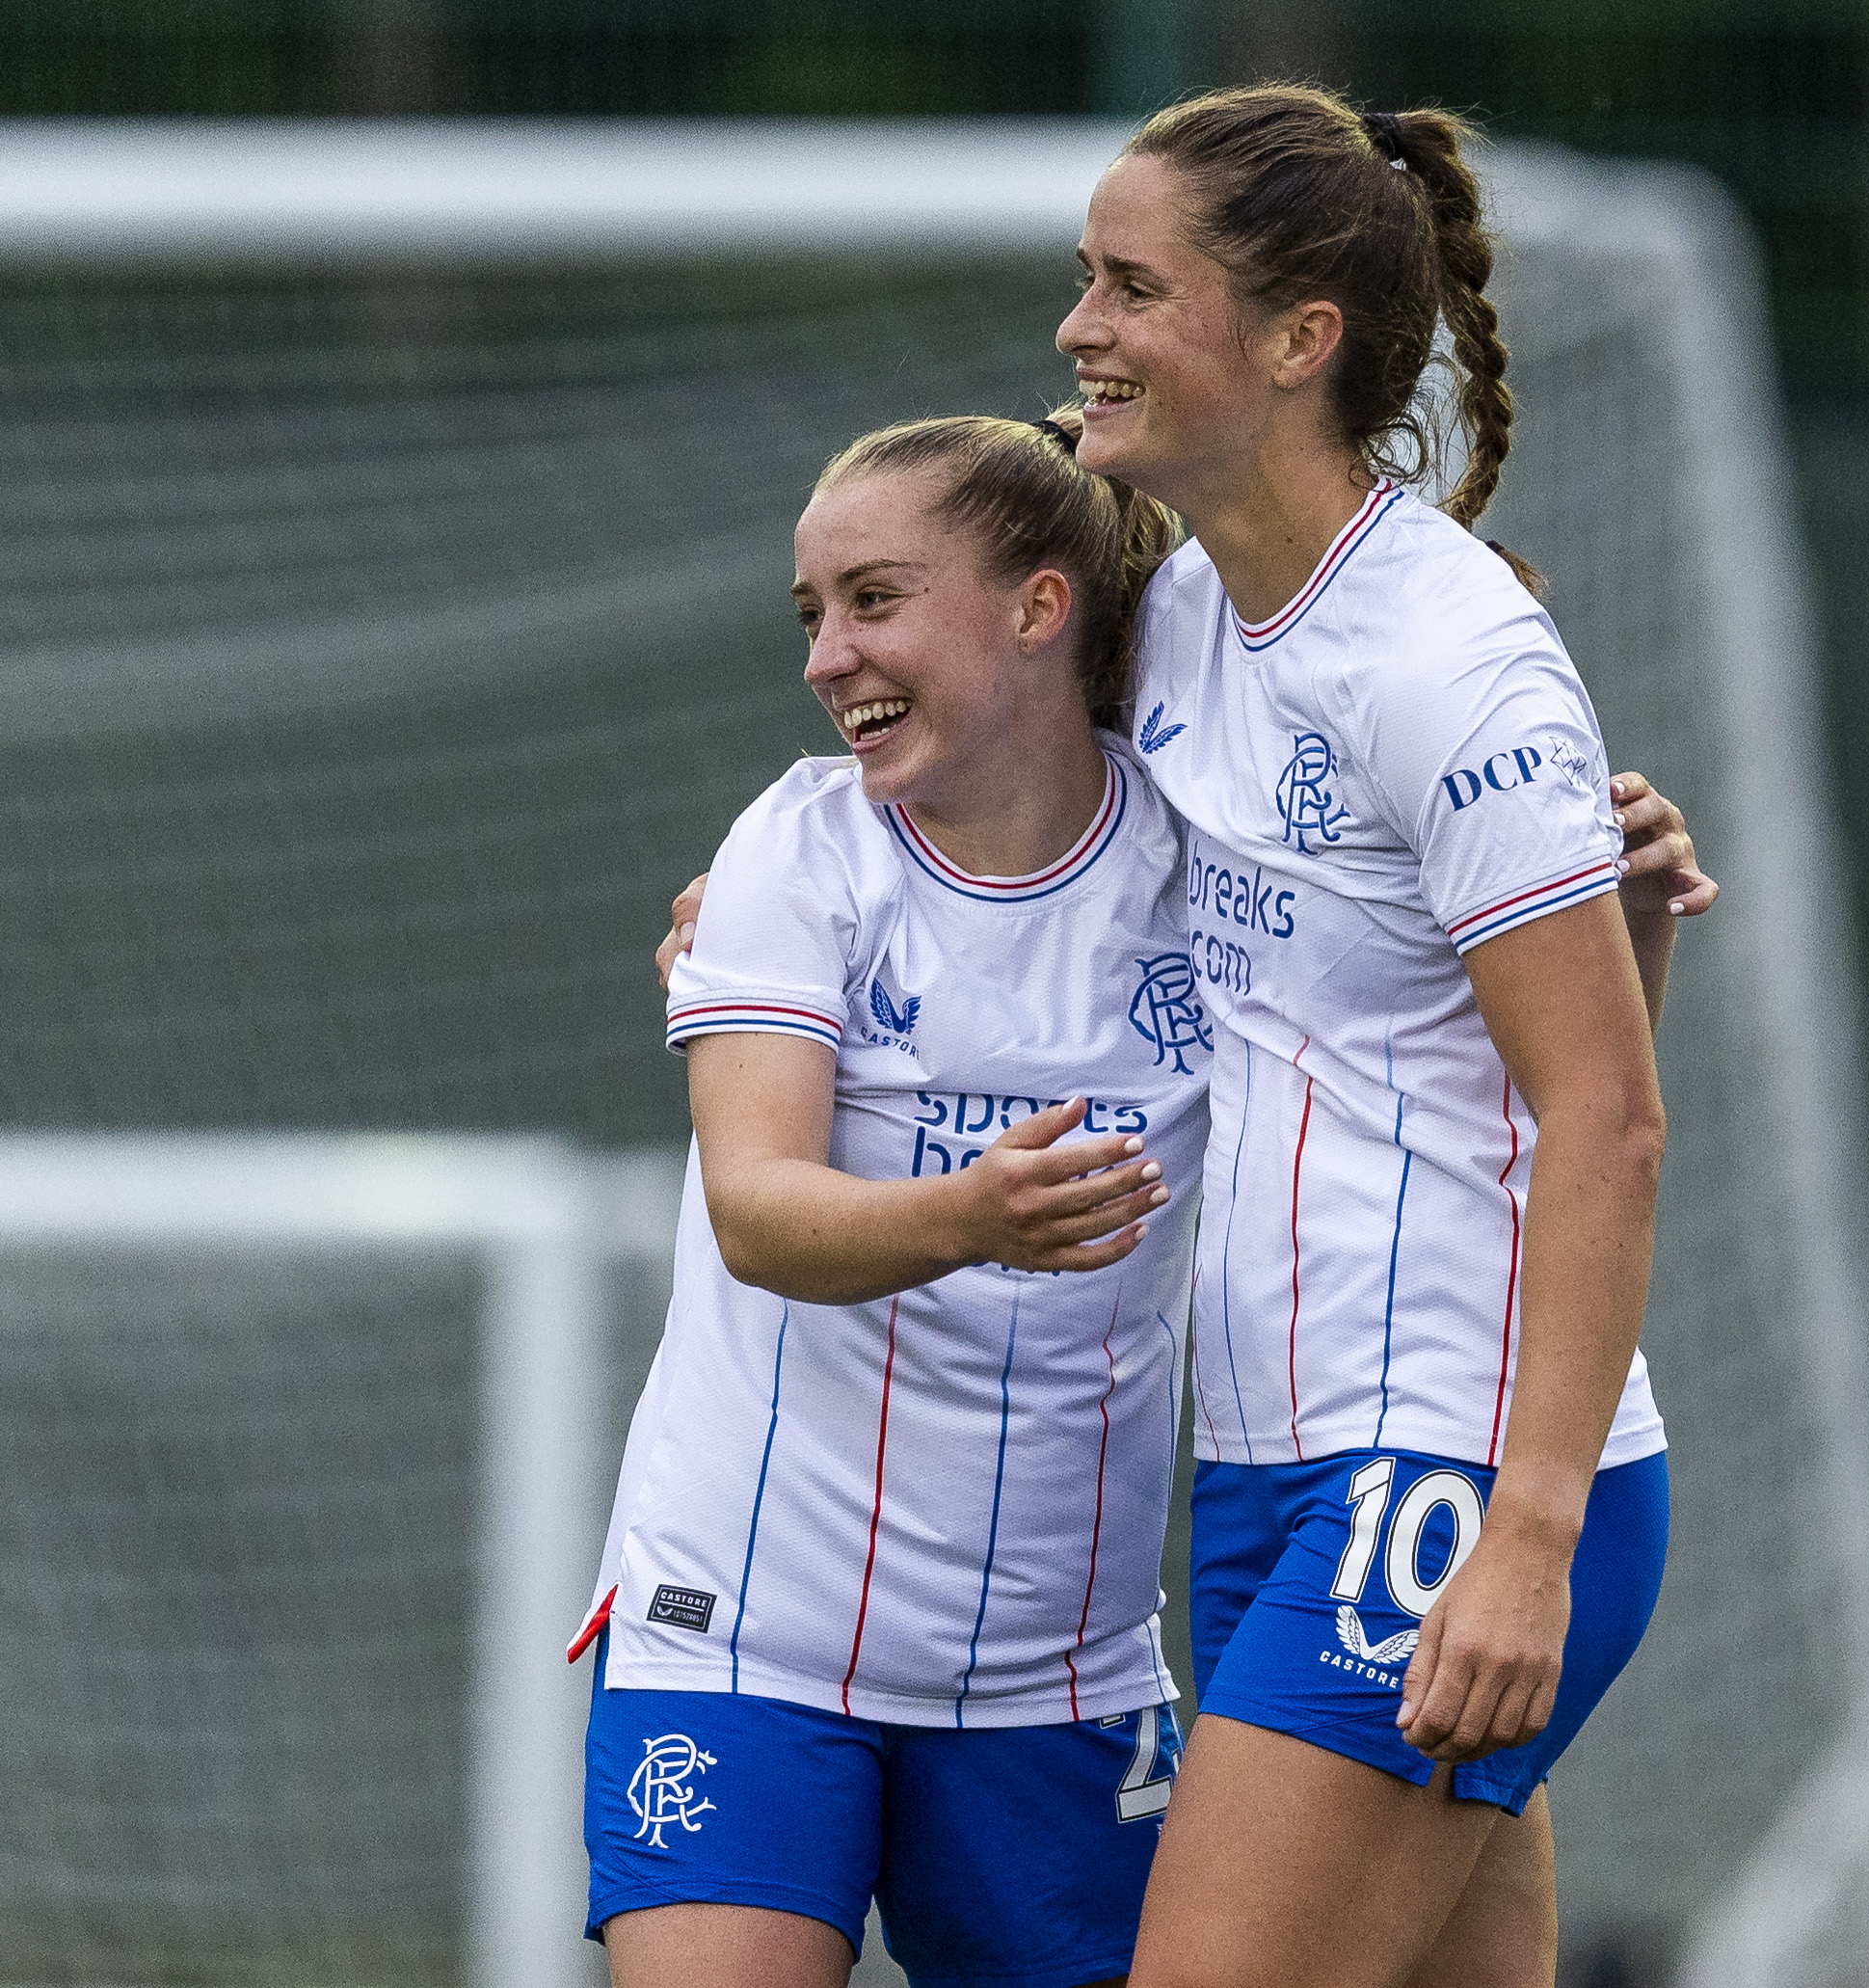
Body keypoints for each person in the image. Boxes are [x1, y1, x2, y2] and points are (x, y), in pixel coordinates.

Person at [650, 86, 1719, 1988]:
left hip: (1444, 1471)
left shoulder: (1447, 659)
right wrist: (766, 928)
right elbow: (998, 777)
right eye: (1086, 279)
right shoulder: (1192, 612)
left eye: (1133, 286)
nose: (1080, 327)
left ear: (1296, 341)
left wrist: (1528, 1529)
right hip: (1271, 1472)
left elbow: (1606, 1116)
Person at [575, 411, 1205, 1988]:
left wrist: (1617, 923)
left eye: (872, 600)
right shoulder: (801, 851)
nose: (826, 656)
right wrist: (975, 1215)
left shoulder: (1211, 871)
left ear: (1038, 608)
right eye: (811, 614)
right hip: (742, 1631)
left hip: (1057, 1674)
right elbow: (760, 1210)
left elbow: (1438, 1080)